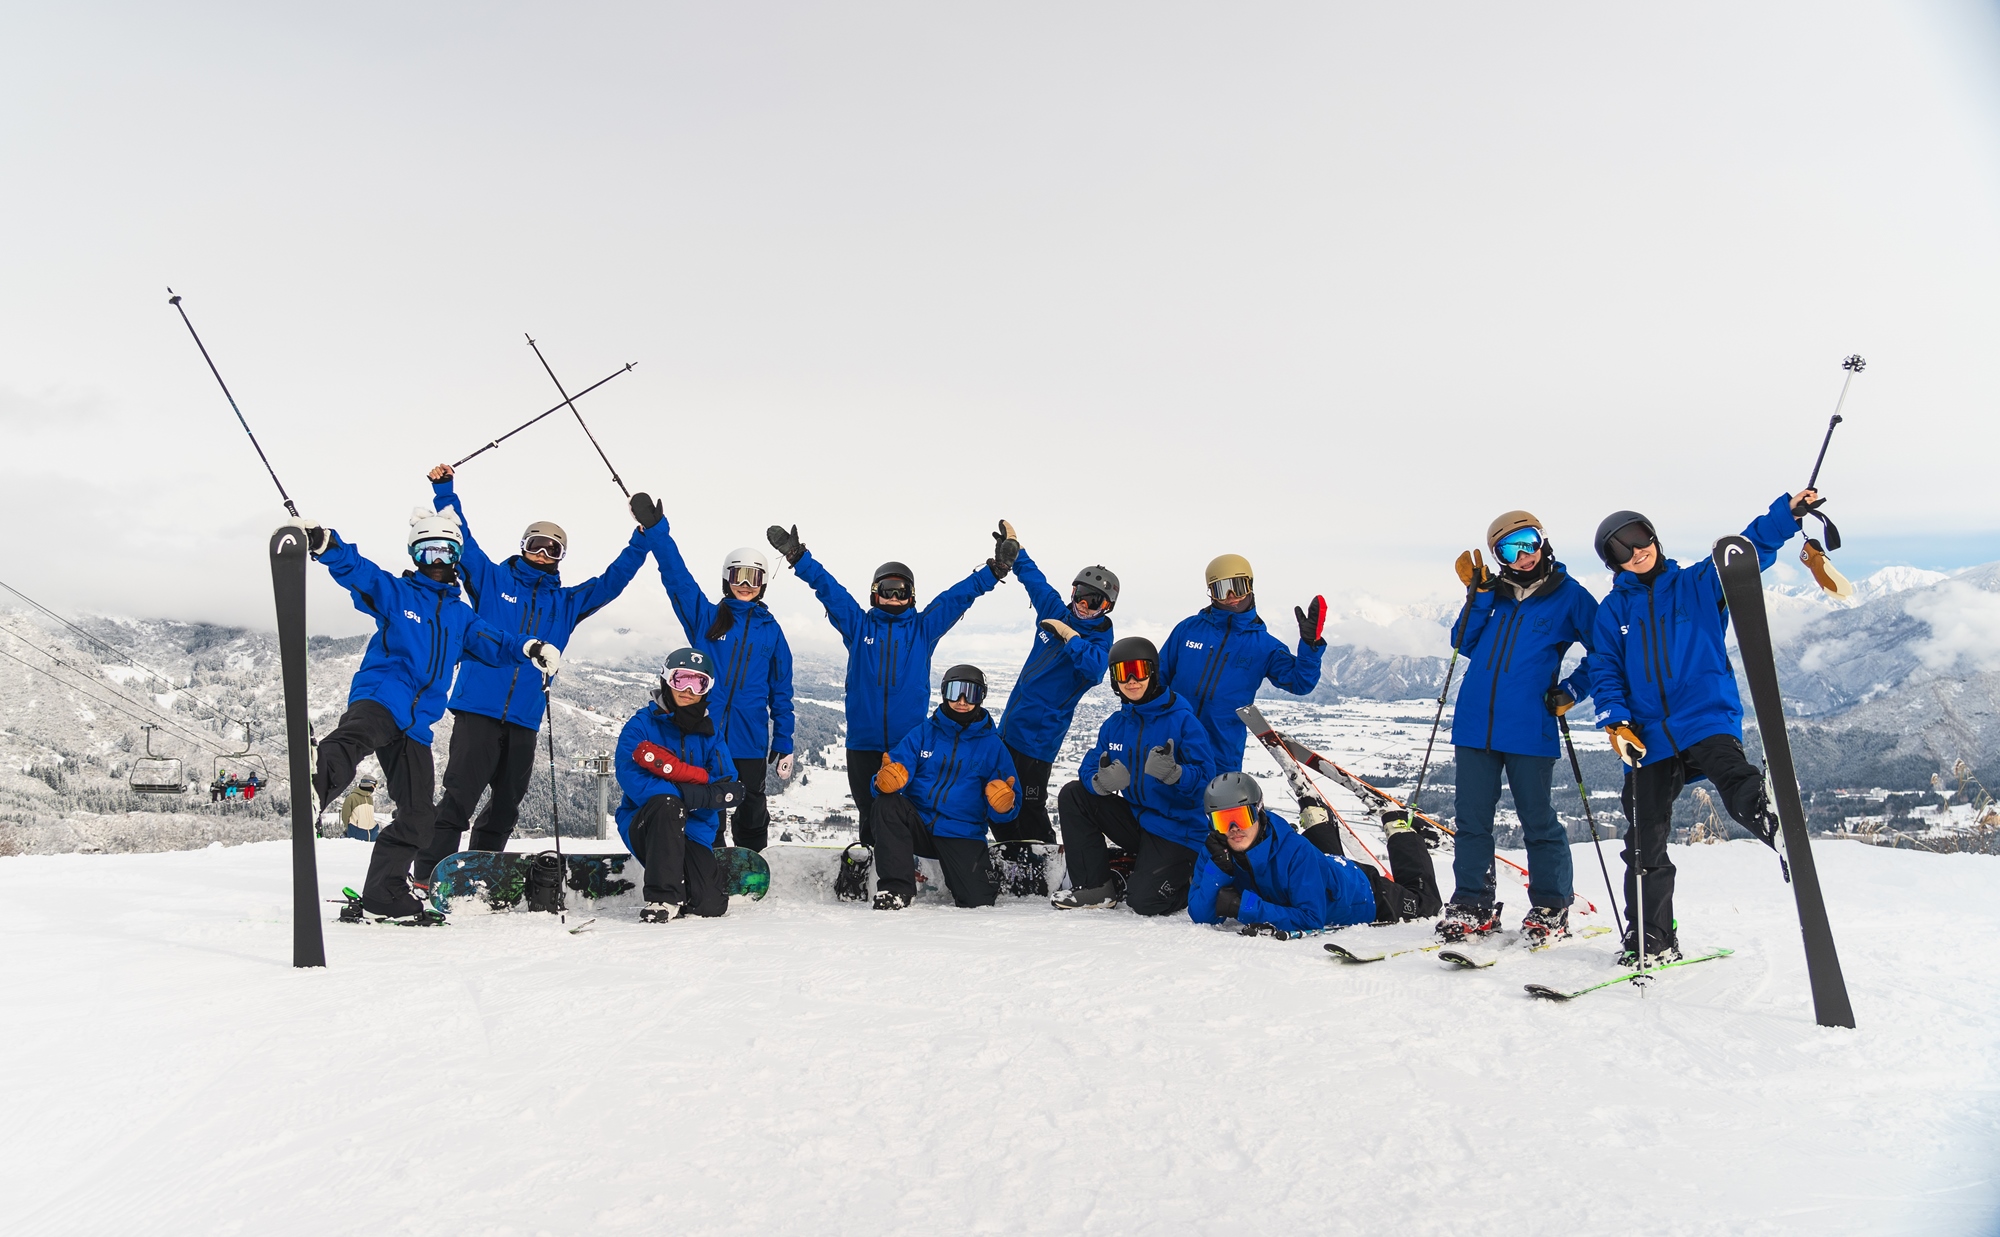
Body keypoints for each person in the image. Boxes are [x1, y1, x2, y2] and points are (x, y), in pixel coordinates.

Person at [1589, 489, 1816, 966]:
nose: (1636, 551)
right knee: (1643, 837)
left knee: (1731, 774)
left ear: (1654, 536)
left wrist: (1787, 515)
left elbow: (1746, 552)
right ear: (1613, 562)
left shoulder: (1696, 583)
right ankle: (1652, 937)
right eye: (1621, 549)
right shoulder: (1612, 611)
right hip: (1648, 735)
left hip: (1704, 715)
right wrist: (1616, 721)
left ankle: (1770, 816)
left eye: (1639, 538)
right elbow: (1604, 668)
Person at [302, 505, 556, 921]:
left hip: (418, 726)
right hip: (384, 696)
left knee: (420, 816)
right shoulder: (397, 594)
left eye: (445, 552)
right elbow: (360, 573)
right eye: (428, 552)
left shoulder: (461, 615)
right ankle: (315, 780)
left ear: (456, 557)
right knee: (358, 734)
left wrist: (530, 648)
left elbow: (496, 642)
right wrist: (327, 545)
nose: (437, 561)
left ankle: (384, 894)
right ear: (415, 555)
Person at [415, 463, 649, 881]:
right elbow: (462, 540)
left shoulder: (567, 603)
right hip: (478, 709)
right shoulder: (491, 580)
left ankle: (480, 875)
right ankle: (428, 874)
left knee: (506, 806)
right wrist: (445, 490)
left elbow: (613, 581)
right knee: (459, 798)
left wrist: (643, 538)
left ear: (560, 557)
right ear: (523, 546)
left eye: (552, 549)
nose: (542, 554)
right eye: (536, 545)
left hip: (525, 718)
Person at [765, 519, 1010, 847]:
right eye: (886, 590)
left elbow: (956, 599)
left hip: (906, 745)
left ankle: (909, 864)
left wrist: (993, 572)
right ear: (874, 594)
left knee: (901, 810)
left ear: (911, 596)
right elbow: (831, 592)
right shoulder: (859, 627)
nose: (894, 597)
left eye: (901, 591)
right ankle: (871, 863)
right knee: (869, 812)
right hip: (862, 743)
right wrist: (799, 558)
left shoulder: (923, 630)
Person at [1436, 511, 1599, 945]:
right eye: (1510, 549)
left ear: (1543, 541)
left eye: (1529, 541)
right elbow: (1463, 642)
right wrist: (1479, 594)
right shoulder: (1493, 594)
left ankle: (1551, 907)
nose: (1524, 555)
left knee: (1538, 821)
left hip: (1530, 726)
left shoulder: (1571, 596)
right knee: (1471, 822)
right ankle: (1472, 905)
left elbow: (1606, 650)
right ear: (1499, 558)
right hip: (1475, 725)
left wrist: (1574, 689)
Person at [630, 492, 795, 853]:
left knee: (752, 807)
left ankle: (752, 861)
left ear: (763, 583)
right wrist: (657, 531)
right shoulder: (706, 618)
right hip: (705, 732)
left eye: (754, 578)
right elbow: (677, 579)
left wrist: (784, 741)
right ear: (726, 578)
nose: (745, 584)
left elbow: (781, 691)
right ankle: (709, 859)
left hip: (750, 737)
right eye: (738, 576)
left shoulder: (772, 631)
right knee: (708, 805)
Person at [1053, 636, 1216, 915]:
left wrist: (1176, 774)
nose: (1131, 681)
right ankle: (1096, 887)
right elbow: (1089, 766)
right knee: (1074, 794)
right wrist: (1099, 782)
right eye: (1122, 673)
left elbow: (1206, 780)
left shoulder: (1183, 721)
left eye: (1138, 671)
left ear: (1152, 672)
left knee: (1144, 902)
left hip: (1178, 830)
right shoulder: (1115, 725)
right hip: (1137, 820)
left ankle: (1191, 879)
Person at [1189, 772, 1443, 933]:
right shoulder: (1216, 853)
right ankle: (1317, 818)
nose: (1233, 829)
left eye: (1241, 817)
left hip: (1363, 893)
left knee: (1426, 904)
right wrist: (1218, 871)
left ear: (1259, 811)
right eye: (1222, 821)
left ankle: (1402, 830)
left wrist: (1244, 906)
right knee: (1320, 861)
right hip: (1322, 870)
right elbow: (1201, 914)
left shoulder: (1295, 852)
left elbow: (1311, 918)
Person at [993, 526, 1117, 852]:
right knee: (997, 796)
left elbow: (1095, 670)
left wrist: (1070, 638)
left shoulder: (1098, 642)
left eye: (1094, 601)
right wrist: (1017, 552)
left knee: (1029, 807)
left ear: (1106, 607)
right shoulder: (1055, 611)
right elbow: (1036, 582)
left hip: (1038, 740)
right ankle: (1012, 853)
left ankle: (1046, 858)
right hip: (1010, 727)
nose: (1084, 605)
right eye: (1080, 595)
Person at [867, 665, 1021, 910]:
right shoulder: (923, 733)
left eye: (971, 694)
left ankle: (982, 877)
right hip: (919, 823)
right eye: (955, 691)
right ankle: (895, 890)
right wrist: (882, 782)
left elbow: (1009, 803)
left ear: (981, 697)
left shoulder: (993, 746)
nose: (962, 701)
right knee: (887, 803)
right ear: (944, 692)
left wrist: (1004, 806)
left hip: (961, 832)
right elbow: (892, 771)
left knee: (977, 902)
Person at [613, 648, 748, 923]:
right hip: (648, 825)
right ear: (666, 680)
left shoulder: (710, 734)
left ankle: (682, 884)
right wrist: (696, 794)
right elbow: (633, 780)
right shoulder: (641, 726)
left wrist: (696, 794)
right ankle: (662, 897)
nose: (688, 690)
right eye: (681, 679)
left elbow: (728, 787)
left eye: (698, 683)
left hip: (694, 830)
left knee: (709, 905)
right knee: (667, 804)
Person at [1159, 554, 1327, 774]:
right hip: (1170, 745)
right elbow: (1158, 678)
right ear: (1211, 593)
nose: (1231, 596)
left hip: (1221, 754)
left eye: (1238, 587)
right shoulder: (1188, 629)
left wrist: (1310, 645)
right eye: (1221, 589)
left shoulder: (1264, 646)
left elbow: (1300, 683)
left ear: (1250, 586)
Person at [340, 776, 380, 841]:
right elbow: (345, 816)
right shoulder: (352, 798)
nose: (374, 788)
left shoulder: (370, 799)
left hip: (372, 835)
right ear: (369, 784)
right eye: (374, 785)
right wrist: (351, 829)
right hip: (357, 834)